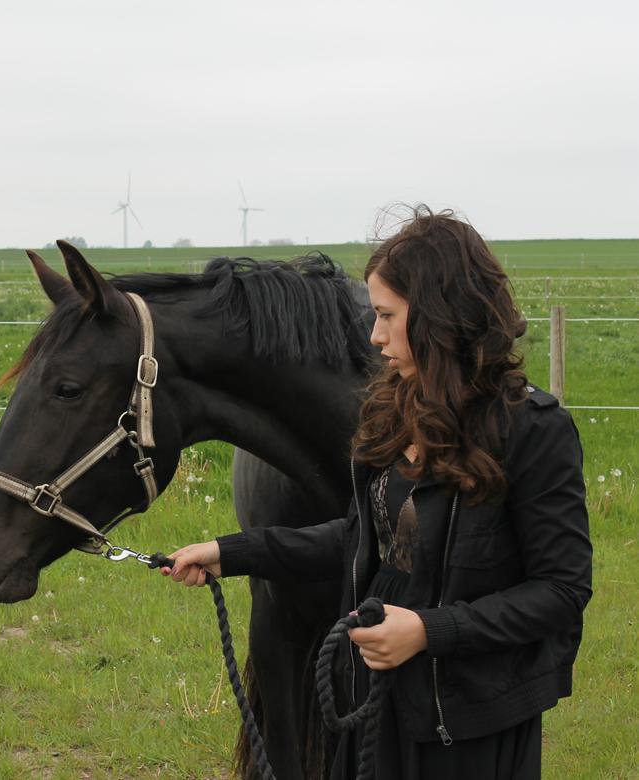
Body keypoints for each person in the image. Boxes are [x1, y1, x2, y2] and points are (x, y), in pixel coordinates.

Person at [163, 207, 592, 778]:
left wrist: (427, 632)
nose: (374, 335)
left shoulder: (535, 431)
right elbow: (366, 538)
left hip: (466, 725)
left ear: (440, 316)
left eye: (387, 315)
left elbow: (562, 590)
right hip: (373, 697)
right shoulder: (394, 411)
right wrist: (233, 553)